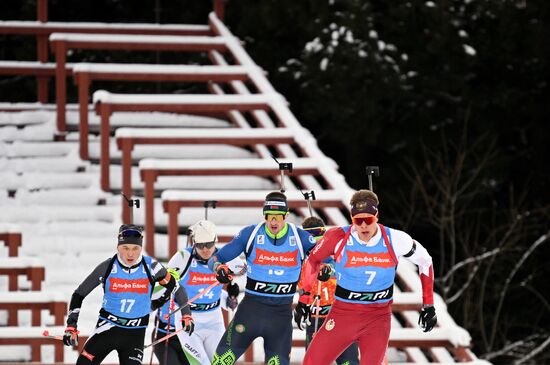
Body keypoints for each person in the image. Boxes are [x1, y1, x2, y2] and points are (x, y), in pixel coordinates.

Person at [299, 190, 437, 365]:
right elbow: (313, 260)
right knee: (311, 362)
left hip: (377, 318)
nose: (364, 225)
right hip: (343, 314)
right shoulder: (337, 237)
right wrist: (304, 299)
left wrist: (428, 305)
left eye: (368, 220)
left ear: (376, 216)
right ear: (351, 218)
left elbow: (426, 261)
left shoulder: (395, 239)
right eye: (358, 220)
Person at [207, 191, 317, 365]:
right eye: (270, 216)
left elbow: (326, 259)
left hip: (280, 318)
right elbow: (215, 258)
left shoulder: (300, 237)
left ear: (286, 216)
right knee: (220, 362)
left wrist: (327, 268)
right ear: (264, 215)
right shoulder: (250, 234)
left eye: (278, 217)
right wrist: (218, 268)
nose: (273, 221)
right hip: (250, 312)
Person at [62, 224, 194, 365]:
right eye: (125, 248)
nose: (130, 254)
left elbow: (178, 289)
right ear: (118, 247)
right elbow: (79, 294)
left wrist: (186, 315)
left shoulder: (152, 267)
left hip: (134, 336)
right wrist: (71, 326)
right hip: (106, 329)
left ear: (141, 248)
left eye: (135, 249)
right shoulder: (107, 267)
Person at [152, 219, 245, 365]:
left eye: (209, 244)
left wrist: (232, 292)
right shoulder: (183, 258)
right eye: (200, 245)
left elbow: (248, 269)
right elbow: (166, 282)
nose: (205, 249)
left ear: (216, 241)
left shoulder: (225, 256)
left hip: (214, 319)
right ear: (193, 243)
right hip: (188, 319)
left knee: (221, 362)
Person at [295, 216, 360, 365]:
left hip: (341, 318)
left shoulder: (338, 255)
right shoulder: (303, 262)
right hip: (316, 318)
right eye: (312, 242)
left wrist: (329, 270)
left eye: (320, 240)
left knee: (348, 362)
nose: (317, 247)